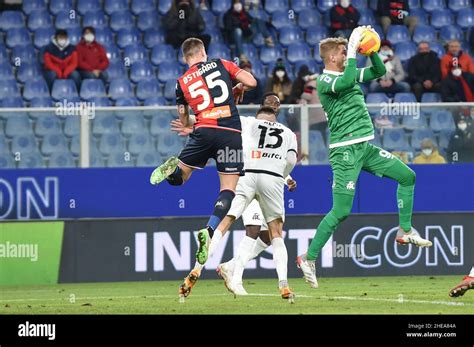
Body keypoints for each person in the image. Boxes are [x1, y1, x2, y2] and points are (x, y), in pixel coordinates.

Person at [297, 26, 432, 289]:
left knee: (407, 176)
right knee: (341, 211)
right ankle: (308, 258)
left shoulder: (348, 70)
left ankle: (404, 231)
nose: (348, 53)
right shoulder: (324, 81)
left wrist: (371, 52)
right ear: (333, 58)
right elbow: (347, 82)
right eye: (343, 51)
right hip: (345, 150)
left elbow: (379, 73)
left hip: (364, 147)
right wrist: (352, 48)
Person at [148, 38, 257, 299]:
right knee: (228, 190)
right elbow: (252, 82)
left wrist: (189, 125)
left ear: (186, 57)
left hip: (203, 130)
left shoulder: (181, 82)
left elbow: (184, 117)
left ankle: (173, 167)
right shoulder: (221, 64)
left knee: (180, 180)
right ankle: (209, 230)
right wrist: (237, 86)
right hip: (230, 132)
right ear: (203, 53)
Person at [179, 107, 299, 301]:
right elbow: (291, 160)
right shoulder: (287, 132)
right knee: (275, 233)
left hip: (247, 174)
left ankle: (196, 269)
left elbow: (215, 121)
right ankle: (283, 285)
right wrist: (281, 176)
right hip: (273, 178)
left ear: (259, 113)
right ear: (275, 116)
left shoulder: (247, 122)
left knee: (223, 224)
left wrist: (189, 121)